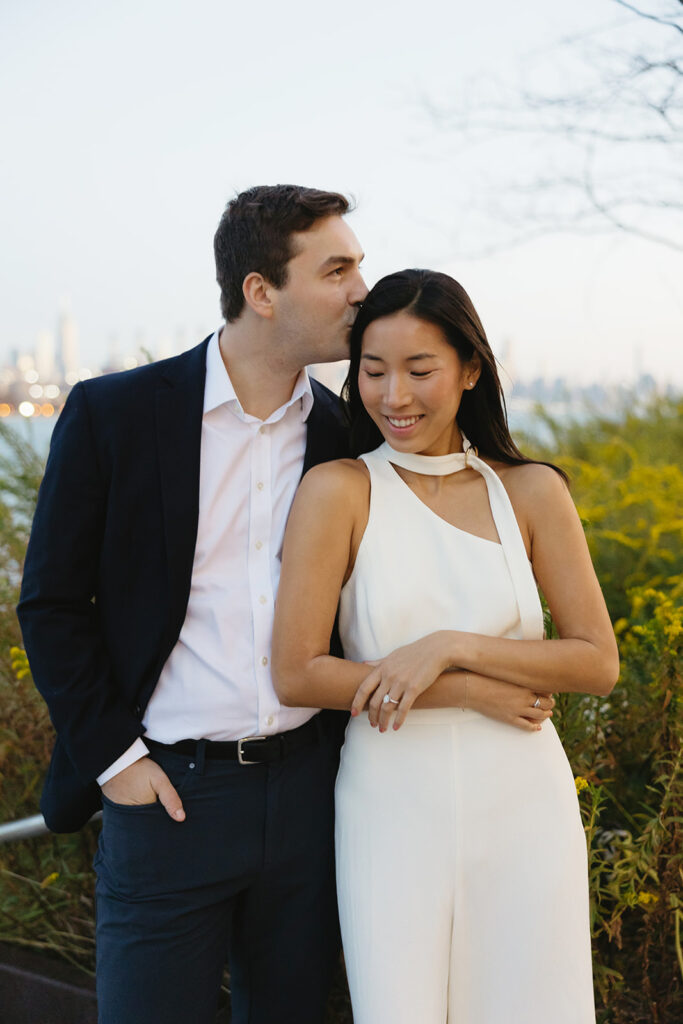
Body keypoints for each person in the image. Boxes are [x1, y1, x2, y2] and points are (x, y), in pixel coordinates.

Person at [17, 184, 367, 1024]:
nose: (361, 289)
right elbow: (53, 604)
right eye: (337, 269)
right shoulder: (115, 413)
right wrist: (118, 764)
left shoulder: (346, 435)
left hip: (311, 799)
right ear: (260, 290)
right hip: (168, 796)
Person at [272, 269, 619, 1023]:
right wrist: (460, 688)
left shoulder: (530, 492)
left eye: (419, 370)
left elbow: (594, 660)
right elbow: (297, 673)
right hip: (391, 803)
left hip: (525, 802)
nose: (393, 395)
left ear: (469, 370)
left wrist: (448, 646)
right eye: (372, 370)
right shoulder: (339, 490)